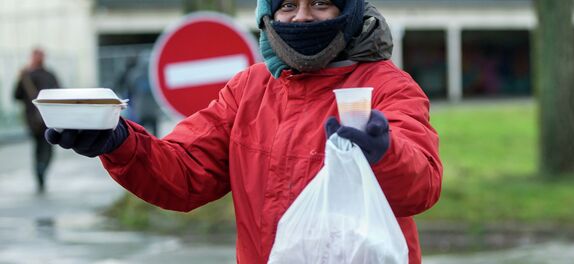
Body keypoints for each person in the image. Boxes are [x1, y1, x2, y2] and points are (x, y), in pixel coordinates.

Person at [45, 0, 443, 263]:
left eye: (320, 3)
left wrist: (385, 152)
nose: (302, 18)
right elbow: (184, 173)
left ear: (350, 11)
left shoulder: (387, 86)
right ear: (267, 15)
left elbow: (422, 184)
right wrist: (118, 143)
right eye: (288, 5)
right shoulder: (249, 89)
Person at [14, 48, 61, 193]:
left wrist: (21, 79)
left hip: (32, 120)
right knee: (47, 147)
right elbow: (59, 93)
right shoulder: (50, 75)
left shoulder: (26, 75)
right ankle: (42, 168)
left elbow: (16, 96)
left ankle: (40, 171)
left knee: (38, 149)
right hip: (48, 119)